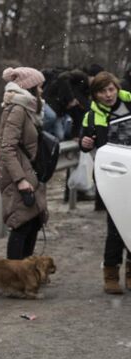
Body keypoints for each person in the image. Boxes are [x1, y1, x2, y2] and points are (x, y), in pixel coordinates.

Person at [78, 71, 131, 294]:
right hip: (111, 177)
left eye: (111, 89)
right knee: (116, 227)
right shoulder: (91, 116)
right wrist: (85, 142)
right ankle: (110, 273)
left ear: (117, 88)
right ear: (95, 94)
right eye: (102, 91)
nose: (108, 95)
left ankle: (130, 272)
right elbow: (84, 143)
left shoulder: (129, 104)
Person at [0, 67, 48, 260]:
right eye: (40, 87)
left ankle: (25, 273)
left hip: (30, 172)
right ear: (31, 87)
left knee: (33, 221)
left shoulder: (28, 108)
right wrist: (20, 180)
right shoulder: (18, 109)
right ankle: (13, 276)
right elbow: (6, 147)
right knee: (22, 224)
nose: (42, 91)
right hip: (21, 176)